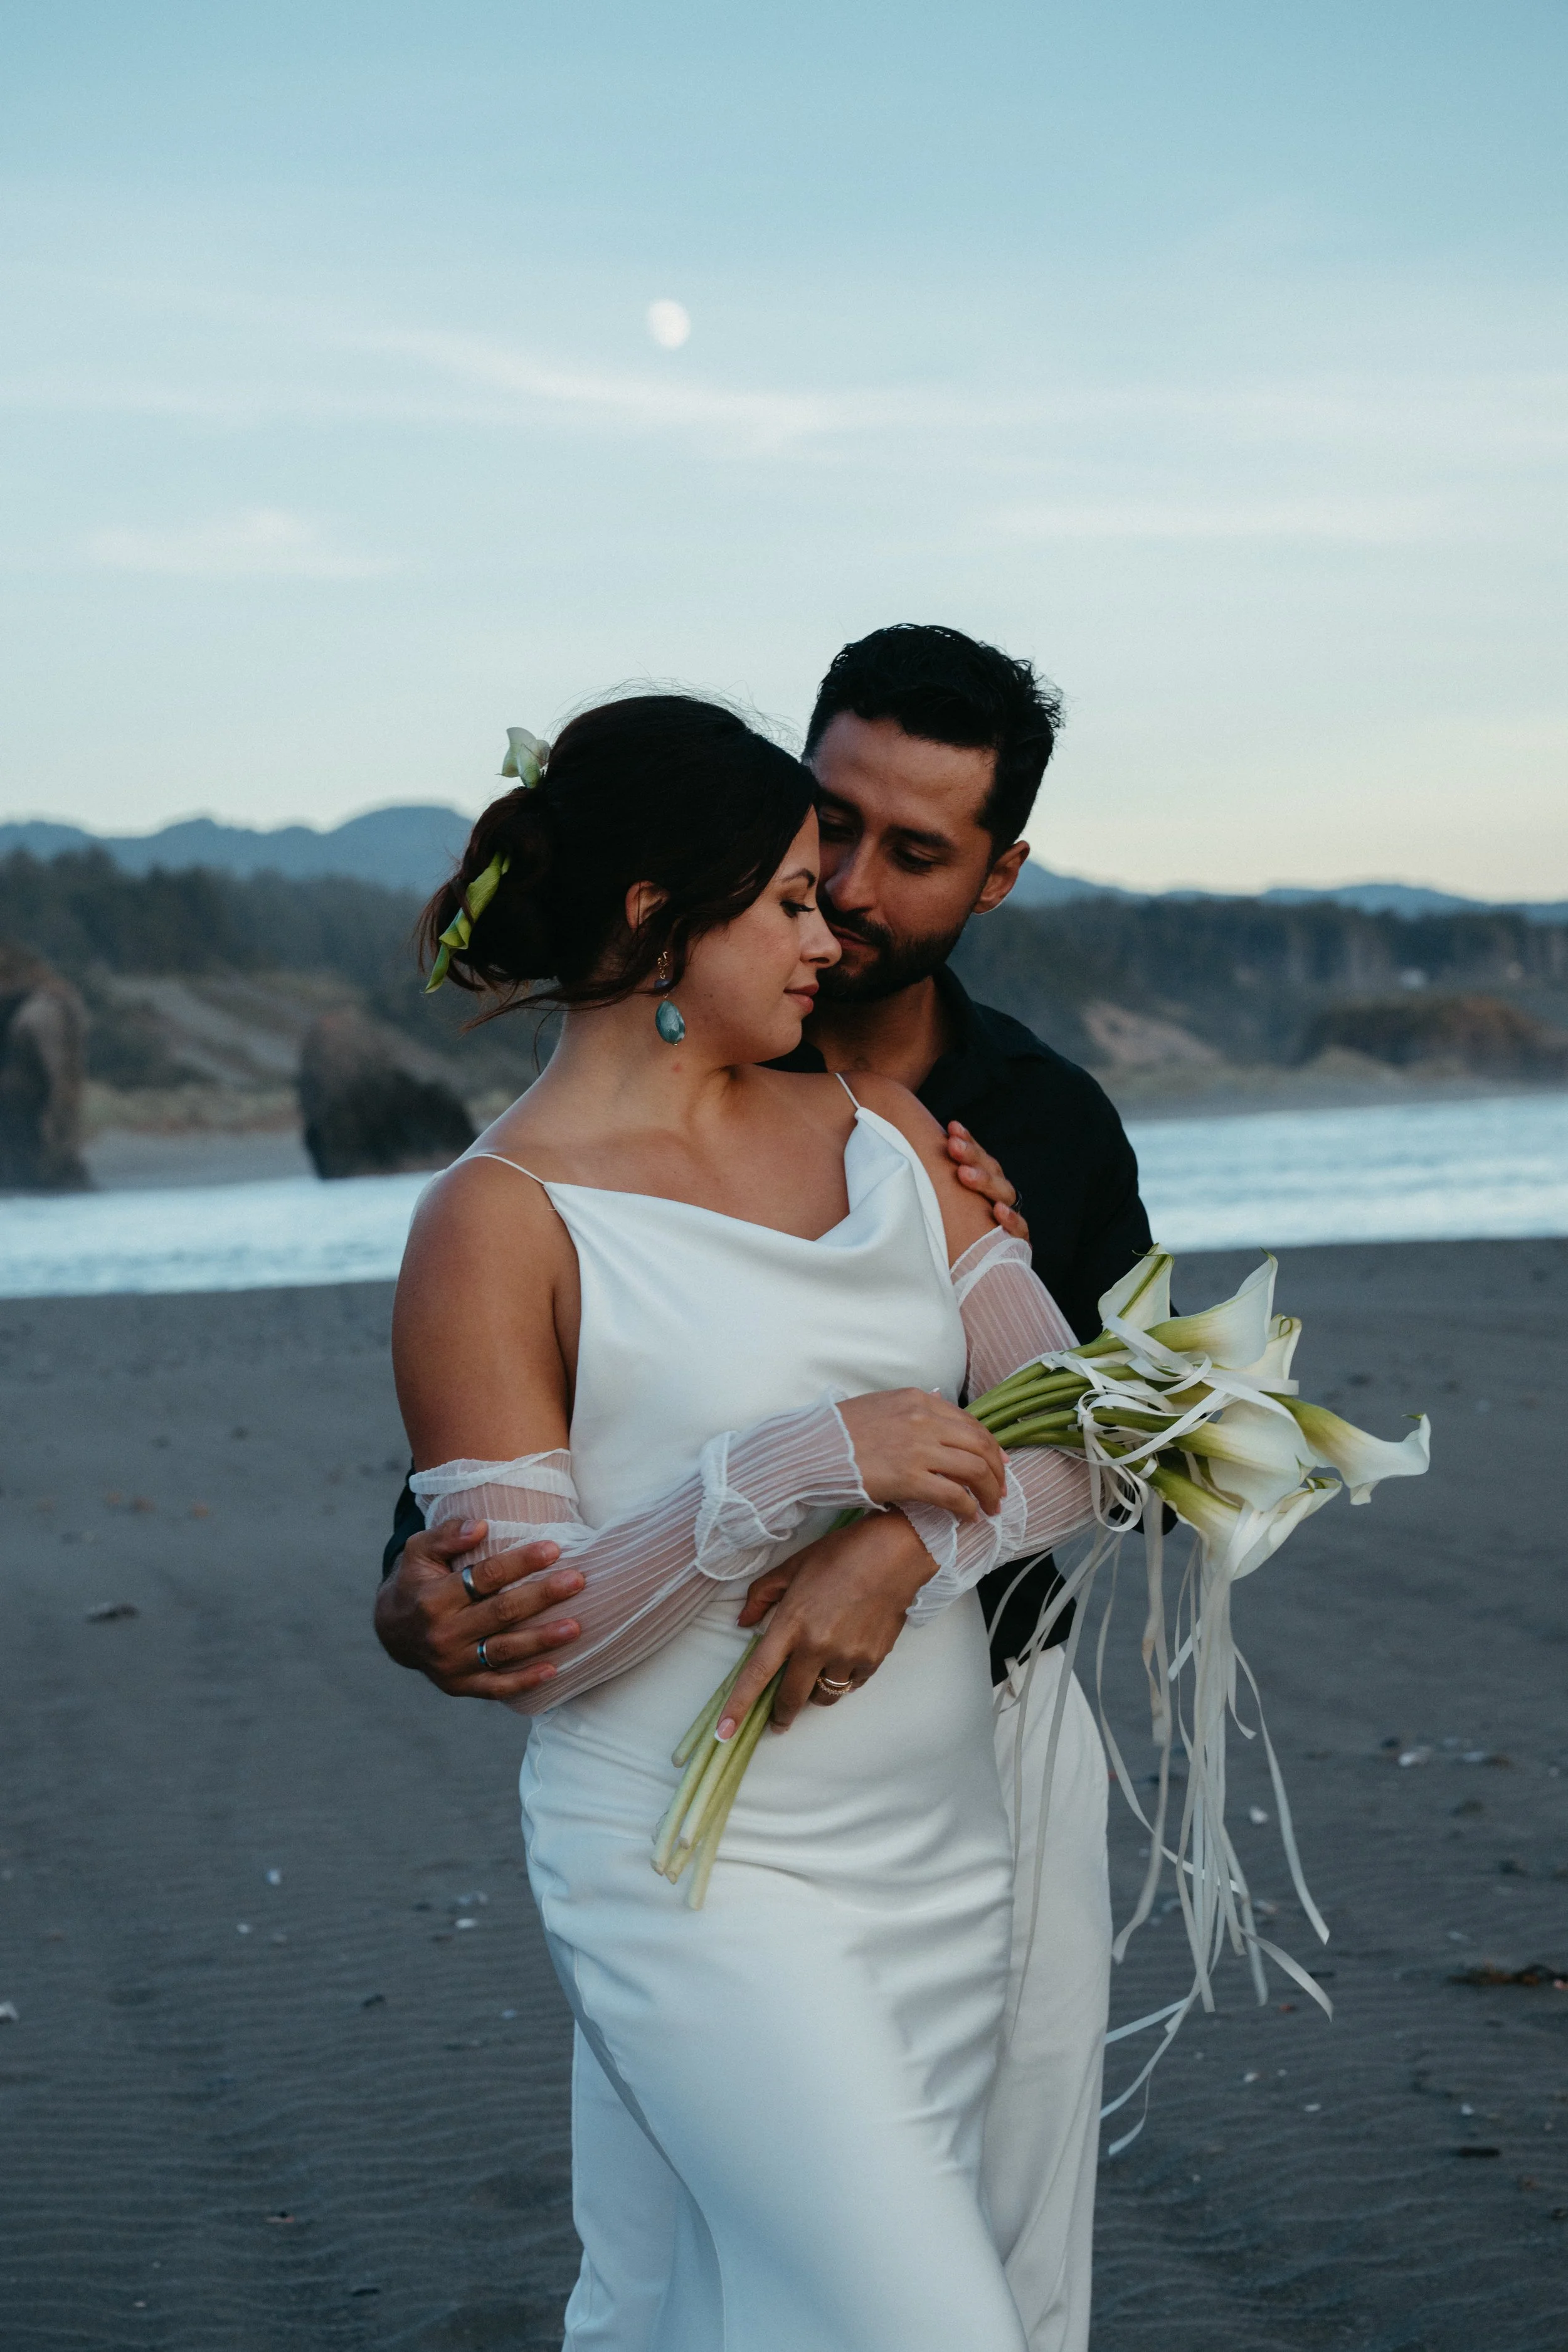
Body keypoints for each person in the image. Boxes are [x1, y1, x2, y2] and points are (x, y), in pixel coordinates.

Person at [378, 627, 1153, 2351]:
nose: (833, 926)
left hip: (949, 1841)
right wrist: (800, 1461)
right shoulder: (489, 1221)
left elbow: (1085, 1444)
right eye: (796, 892)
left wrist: (892, 1535)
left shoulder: (894, 1130)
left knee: (736, 2317)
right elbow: (541, 1623)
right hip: (694, 1862)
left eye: (869, 878)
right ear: (663, 916)